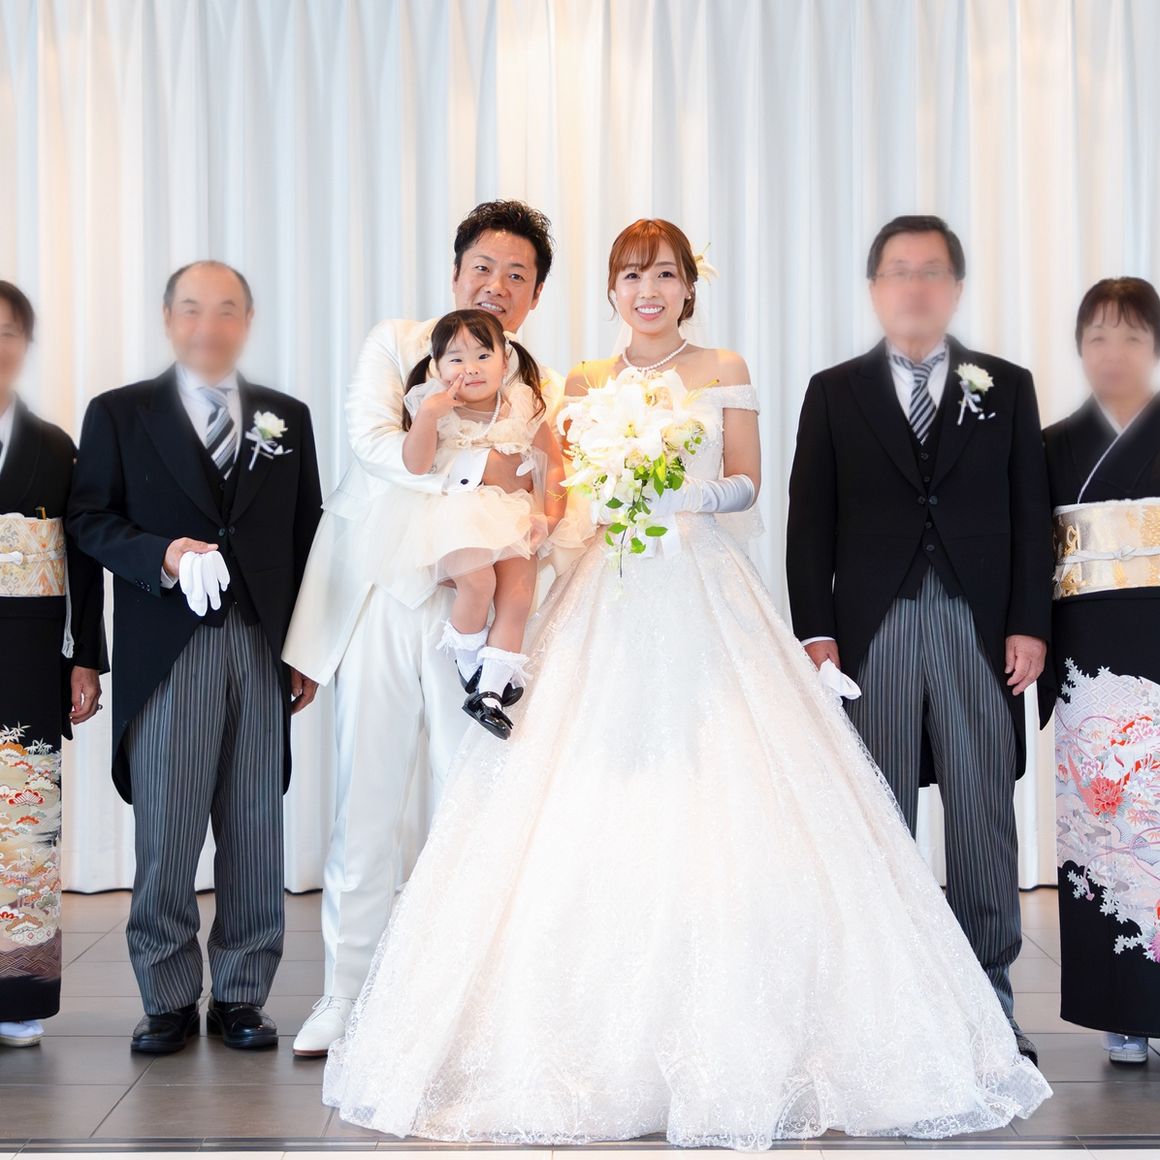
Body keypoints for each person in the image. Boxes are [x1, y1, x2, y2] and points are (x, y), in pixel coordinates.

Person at [322, 219, 1051, 1144]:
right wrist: (578, 505)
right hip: (609, 587)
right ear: (612, 291)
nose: (648, 291)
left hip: (706, 579)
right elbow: (557, 484)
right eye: (632, 276)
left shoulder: (723, 366)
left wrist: (686, 495)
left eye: (664, 275)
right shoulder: (582, 381)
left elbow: (747, 481)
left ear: (687, 287)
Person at [283, 200, 562, 1055]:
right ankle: (346, 993)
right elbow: (373, 445)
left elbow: (547, 482)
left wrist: (532, 509)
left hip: (477, 614)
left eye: (517, 275)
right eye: (484, 267)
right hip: (385, 592)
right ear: (455, 274)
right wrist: (482, 472)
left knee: (465, 800)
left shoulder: (538, 381)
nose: (496, 285)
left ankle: (457, 1002)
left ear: (535, 296)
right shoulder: (396, 343)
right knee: (365, 800)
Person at [786, 215, 1053, 1062]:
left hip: (980, 625)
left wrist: (1029, 622)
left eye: (932, 270)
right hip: (876, 629)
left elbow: (1032, 514)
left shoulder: (1006, 385)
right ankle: (890, 1009)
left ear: (956, 287)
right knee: (879, 814)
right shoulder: (834, 390)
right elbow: (808, 522)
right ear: (874, 288)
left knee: (982, 813)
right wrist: (817, 633)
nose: (915, 285)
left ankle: (989, 1006)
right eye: (898, 270)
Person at [67, 261, 322, 1054]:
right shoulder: (119, 413)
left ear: (247, 321)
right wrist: (164, 555)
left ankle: (243, 993)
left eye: (226, 310)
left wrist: (307, 645)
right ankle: (168, 996)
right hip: (168, 648)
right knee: (168, 832)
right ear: (167, 319)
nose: (208, 326)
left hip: (259, 644)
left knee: (256, 828)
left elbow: (307, 532)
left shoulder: (286, 416)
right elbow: (88, 521)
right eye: (191, 309)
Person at [1040, 277, 1160, 1065]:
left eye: (1131, 336)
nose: (1112, 353)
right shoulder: (1051, 445)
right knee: (1107, 828)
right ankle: (1124, 1010)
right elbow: (1032, 554)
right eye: (1097, 338)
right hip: (1092, 659)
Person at [0, 281, 105, 1049]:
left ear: (26, 344)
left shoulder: (54, 446)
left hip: (30, 649)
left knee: (25, 820)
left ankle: (19, 991)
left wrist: (85, 658)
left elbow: (85, 558)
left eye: (8, 331)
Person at [399, 309, 566, 739]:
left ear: (504, 360)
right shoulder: (434, 407)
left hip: (515, 515)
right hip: (460, 516)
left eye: (482, 355)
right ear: (438, 368)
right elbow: (415, 464)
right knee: (477, 583)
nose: (470, 367)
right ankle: (470, 662)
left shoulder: (523, 405)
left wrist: (551, 516)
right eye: (456, 358)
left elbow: (553, 465)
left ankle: (490, 695)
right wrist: (428, 416)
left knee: (517, 598)